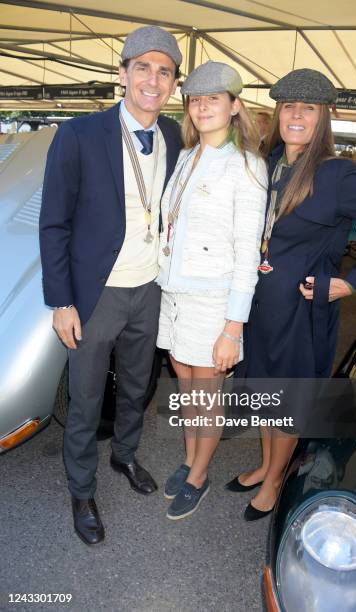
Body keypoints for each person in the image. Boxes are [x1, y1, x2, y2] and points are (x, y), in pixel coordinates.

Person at [226, 68, 356, 521]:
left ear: (323, 116)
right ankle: (268, 464)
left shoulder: (336, 174)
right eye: (289, 106)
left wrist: (352, 281)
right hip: (261, 305)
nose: (296, 115)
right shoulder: (270, 164)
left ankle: (273, 481)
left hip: (301, 311)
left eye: (308, 108)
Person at [39, 26, 183, 545]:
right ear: (121, 74)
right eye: (142, 67)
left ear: (172, 84)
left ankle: (125, 455)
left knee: (138, 387)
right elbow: (53, 222)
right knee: (84, 397)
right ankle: (82, 490)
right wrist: (61, 301)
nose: (152, 79)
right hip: (96, 294)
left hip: (149, 288)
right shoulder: (78, 134)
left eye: (163, 71)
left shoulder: (173, 137)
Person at [155, 61, 267, 520]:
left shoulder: (248, 166)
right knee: (187, 391)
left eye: (213, 99)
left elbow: (246, 254)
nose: (202, 107)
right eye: (195, 100)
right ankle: (188, 458)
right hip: (174, 292)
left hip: (213, 300)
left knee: (206, 396)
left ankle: (198, 474)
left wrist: (232, 327)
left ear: (234, 106)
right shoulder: (185, 156)